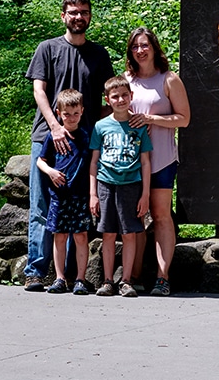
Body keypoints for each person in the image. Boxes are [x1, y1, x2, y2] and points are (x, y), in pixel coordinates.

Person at [23, 0, 115, 292]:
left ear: (90, 17)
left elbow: (109, 99)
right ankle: (35, 272)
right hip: (47, 137)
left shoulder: (99, 55)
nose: (79, 17)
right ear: (63, 16)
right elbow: (39, 91)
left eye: (84, 12)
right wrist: (55, 126)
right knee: (41, 206)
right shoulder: (47, 49)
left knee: (80, 209)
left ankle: (77, 277)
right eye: (73, 12)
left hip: (85, 143)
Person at [126, 27, 190, 297]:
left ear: (154, 47)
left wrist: (152, 120)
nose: (140, 50)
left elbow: (184, 118)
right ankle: (135, 276)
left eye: (145, 45)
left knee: (162, 216)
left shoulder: (169, 79)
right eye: (135, 46)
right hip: (130, 161)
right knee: (135, 217)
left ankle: (163, 277)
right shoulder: (126, 80)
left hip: (162, 158)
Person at [89, 75, 153, 298]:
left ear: (131, 96)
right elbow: (94, 161)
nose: (121, 100)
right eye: (115, 96)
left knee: (129, 234)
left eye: (125, 95)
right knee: (108, 233)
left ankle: (126, 280)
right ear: (108, 100)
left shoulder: (139, 126)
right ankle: (107, 280)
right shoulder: (100, 126)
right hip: (106, 184)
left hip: (131, 185)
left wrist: (145, 194)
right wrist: (93, 194)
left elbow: (145, 162)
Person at [35, 89, 93, 295]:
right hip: (59, 196)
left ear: (82, 111)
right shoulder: (53, 137)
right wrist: (51, 172)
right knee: (59, 236)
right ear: (58, 113)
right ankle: (59, 278)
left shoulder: (86, 136)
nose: (71, 117)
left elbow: (93, 164)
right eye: (67, 114)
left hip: (80, 196)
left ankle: (80, 278)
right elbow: (40, 161)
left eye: (75, 113)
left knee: (81, 236)